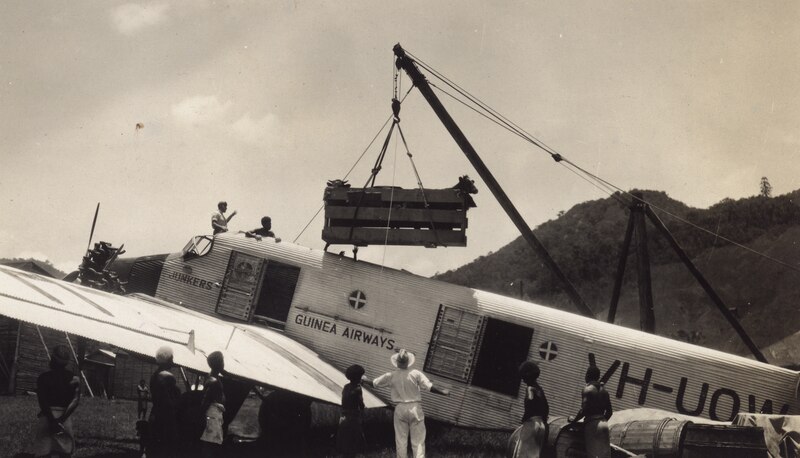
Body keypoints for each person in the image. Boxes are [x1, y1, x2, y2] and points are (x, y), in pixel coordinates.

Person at [363, 349, 450, 458]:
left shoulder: (391, 375)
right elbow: (429, 387)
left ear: (397, 362)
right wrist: (443, 392)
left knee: (401, 439)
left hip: (400, 408)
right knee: (418, 440)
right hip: (415, 407)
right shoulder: (416, 373)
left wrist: (364, 380)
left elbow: (374, 383)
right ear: (408, 362)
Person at [33, 344, 81, 458]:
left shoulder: (43, 378)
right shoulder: (74, 379)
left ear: (53, 359)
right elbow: (75, 401)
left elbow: (43, 401)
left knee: (43, 452)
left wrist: (52, 420)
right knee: (65, 452)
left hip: (47, 417)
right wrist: (61, 420)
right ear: (66, 362)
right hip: (65, 419)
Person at [569, 365, 613, 458]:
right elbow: (610, 412)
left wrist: (574, 420)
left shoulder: (588, 389)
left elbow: (583, 410)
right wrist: (601, 420)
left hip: (592, 424)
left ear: (587, 375)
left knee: (593, 455)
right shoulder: (605, 391)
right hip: (604, 424)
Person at [508, 361, 549, 458]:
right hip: (541, 425)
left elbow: (530, 400)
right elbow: (546, 408)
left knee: (521, 454)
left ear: (527, 375)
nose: (522, 379)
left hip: (531, 424)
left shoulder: (530, 388)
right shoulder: (540, 389)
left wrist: (525, 417)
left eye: (523, 376)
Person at [148, 346, 181, 457]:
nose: (172, 361)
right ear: (167, 360)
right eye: (171, 358)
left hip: (155, 413)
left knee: (154, 447)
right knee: (167, 447)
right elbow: (170, 399)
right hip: (167, 417)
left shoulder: (154, 375)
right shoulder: (168, 377)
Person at [199, 351, 226, 456]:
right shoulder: (214, 381)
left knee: (210, 442)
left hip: (214, 413)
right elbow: (205, 400)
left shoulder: (212, 377)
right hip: (212, 414)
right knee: (210, 442)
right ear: (220, 363)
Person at [337, 364, 366, 457]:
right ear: (359, 377)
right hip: (353, 417)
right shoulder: (358, 389)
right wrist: (363, 407)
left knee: (345, 439)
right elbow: (360, 403)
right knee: (354, 439)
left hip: (344, 415)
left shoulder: (346, 387)